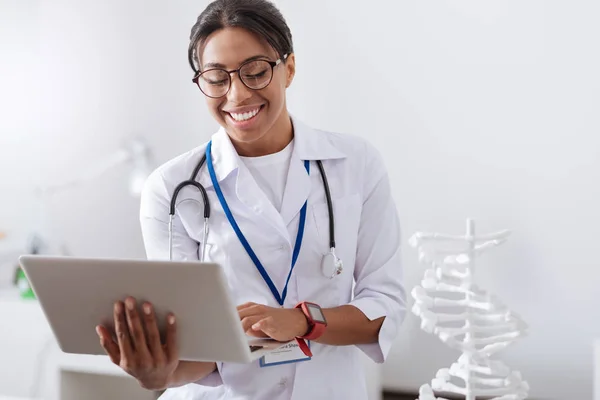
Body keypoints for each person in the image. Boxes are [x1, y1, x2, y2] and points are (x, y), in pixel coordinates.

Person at [95, 0, 406, 398]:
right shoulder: (172, 188)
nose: (237, 94)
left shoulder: (355, 163)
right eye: (216, 77)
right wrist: (157, 375)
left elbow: (384, 305)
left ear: (288, 68)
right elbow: (190, 344)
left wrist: (305, 321)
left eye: (255, 72)